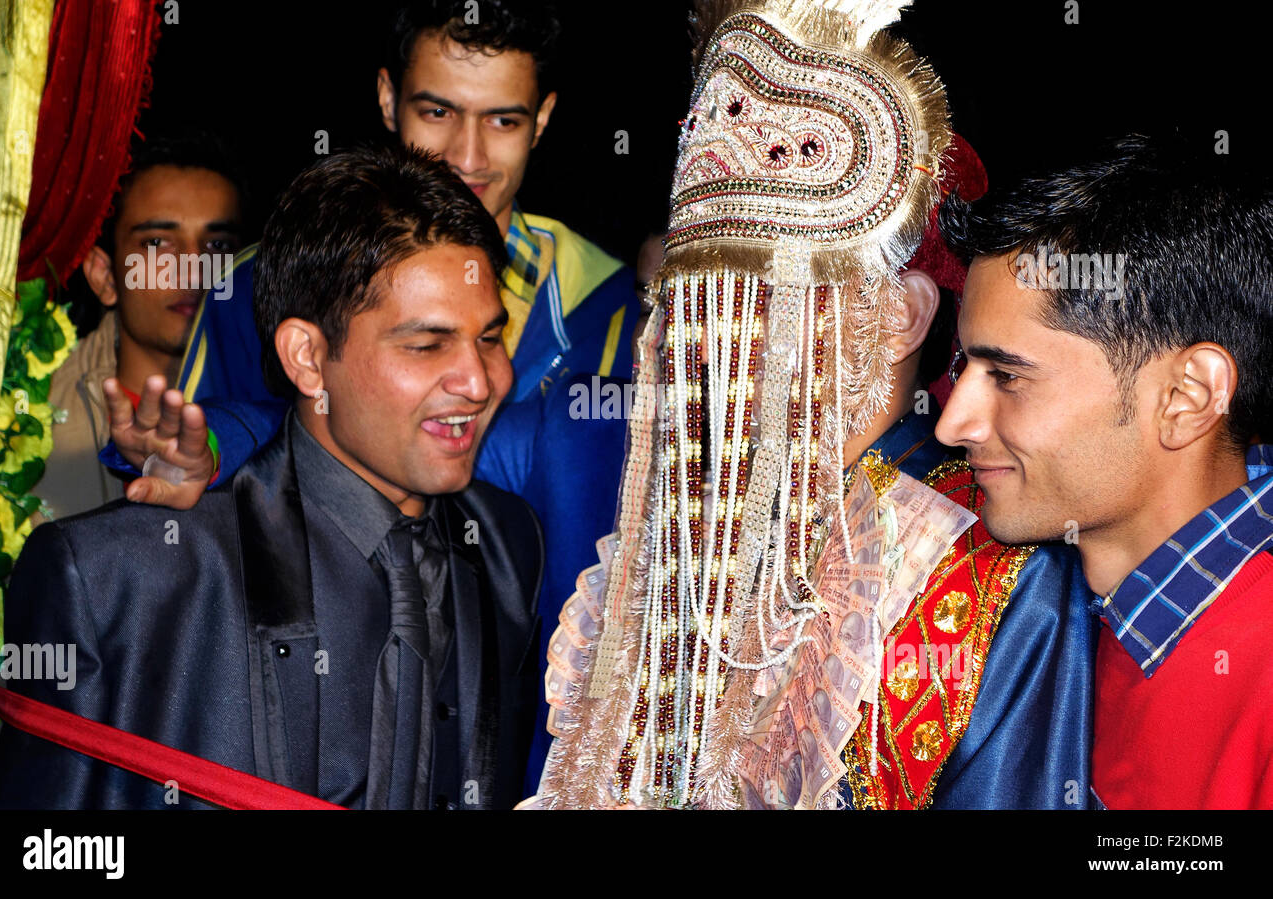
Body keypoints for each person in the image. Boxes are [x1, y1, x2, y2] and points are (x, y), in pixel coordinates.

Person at [531, 0, 1094, 811]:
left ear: (898, 316)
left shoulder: (991, 572)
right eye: (699, 306)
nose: (712, 346)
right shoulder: (675, 543)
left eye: (763, 303)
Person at [0, 144, 542, 810]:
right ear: (307, 358)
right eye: (426, 344)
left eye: (488, 338)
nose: (479, 382)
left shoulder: (507, 545)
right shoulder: (120, 579)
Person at [107, 0, 640, 510]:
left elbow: (607, 514)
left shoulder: (603, 300)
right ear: (387, 98)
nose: (466, 156)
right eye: (438, 111)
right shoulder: (253, 280)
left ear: (542, 119)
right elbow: (192, 457)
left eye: (504, 121)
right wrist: (209, 448)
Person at [935, 135, 1273, 809]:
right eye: (962, 368)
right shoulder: (1060, 610)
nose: (953, 424)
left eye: (1006, 374)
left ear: (1187, 397)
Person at [32, 131, 244, 521]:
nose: (192, 269)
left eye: (217, 247)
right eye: (157, 243)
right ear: (105, 277)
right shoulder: (26, 411)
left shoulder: (283, 401)